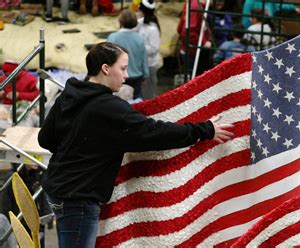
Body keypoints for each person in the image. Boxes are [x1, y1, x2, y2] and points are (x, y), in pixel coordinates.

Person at [38, 42, 234, 248]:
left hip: (56, 187)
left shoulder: (70, 94)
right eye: (122, 68)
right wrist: (204, 130)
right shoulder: (111, 108)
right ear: (106, 68)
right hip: (78, 198)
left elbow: (46, 139)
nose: (126, 75)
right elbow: (154, 133)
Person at [108, 10, 149, 100]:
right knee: (137, 102)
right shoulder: (140, 38)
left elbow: (108, 58)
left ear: (120, 21)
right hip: (136, 77)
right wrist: (146, 75)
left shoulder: (113, 37)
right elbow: (144, 60)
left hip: (118, 75)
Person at [177, 0, 213, 77]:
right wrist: (204, 43)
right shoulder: (196, 7)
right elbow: (189, 32)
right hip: (193, 51)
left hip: (194, 50)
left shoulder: (197, 5)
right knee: (194, 79)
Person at [135, 0, 162, 100]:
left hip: (150, 64)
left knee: (150, 91)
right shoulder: (139, 23)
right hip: (140, 63)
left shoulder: (153, 29)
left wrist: (139, 47)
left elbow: (154, 48)